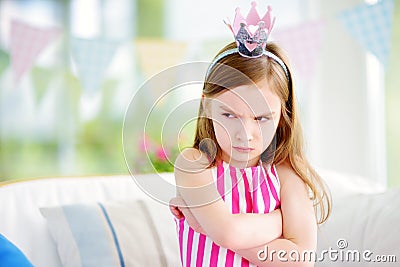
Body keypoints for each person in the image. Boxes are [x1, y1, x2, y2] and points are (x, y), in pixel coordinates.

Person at [169, 4, 331, 266]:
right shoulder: (194, 165)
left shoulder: (286, 171)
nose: (245, 135)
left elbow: (301, 260)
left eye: (262, 118)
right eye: (229, 115)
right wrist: (279, 222)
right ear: (206, 105)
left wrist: (207, 227)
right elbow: (228, 232)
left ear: (283, 115)